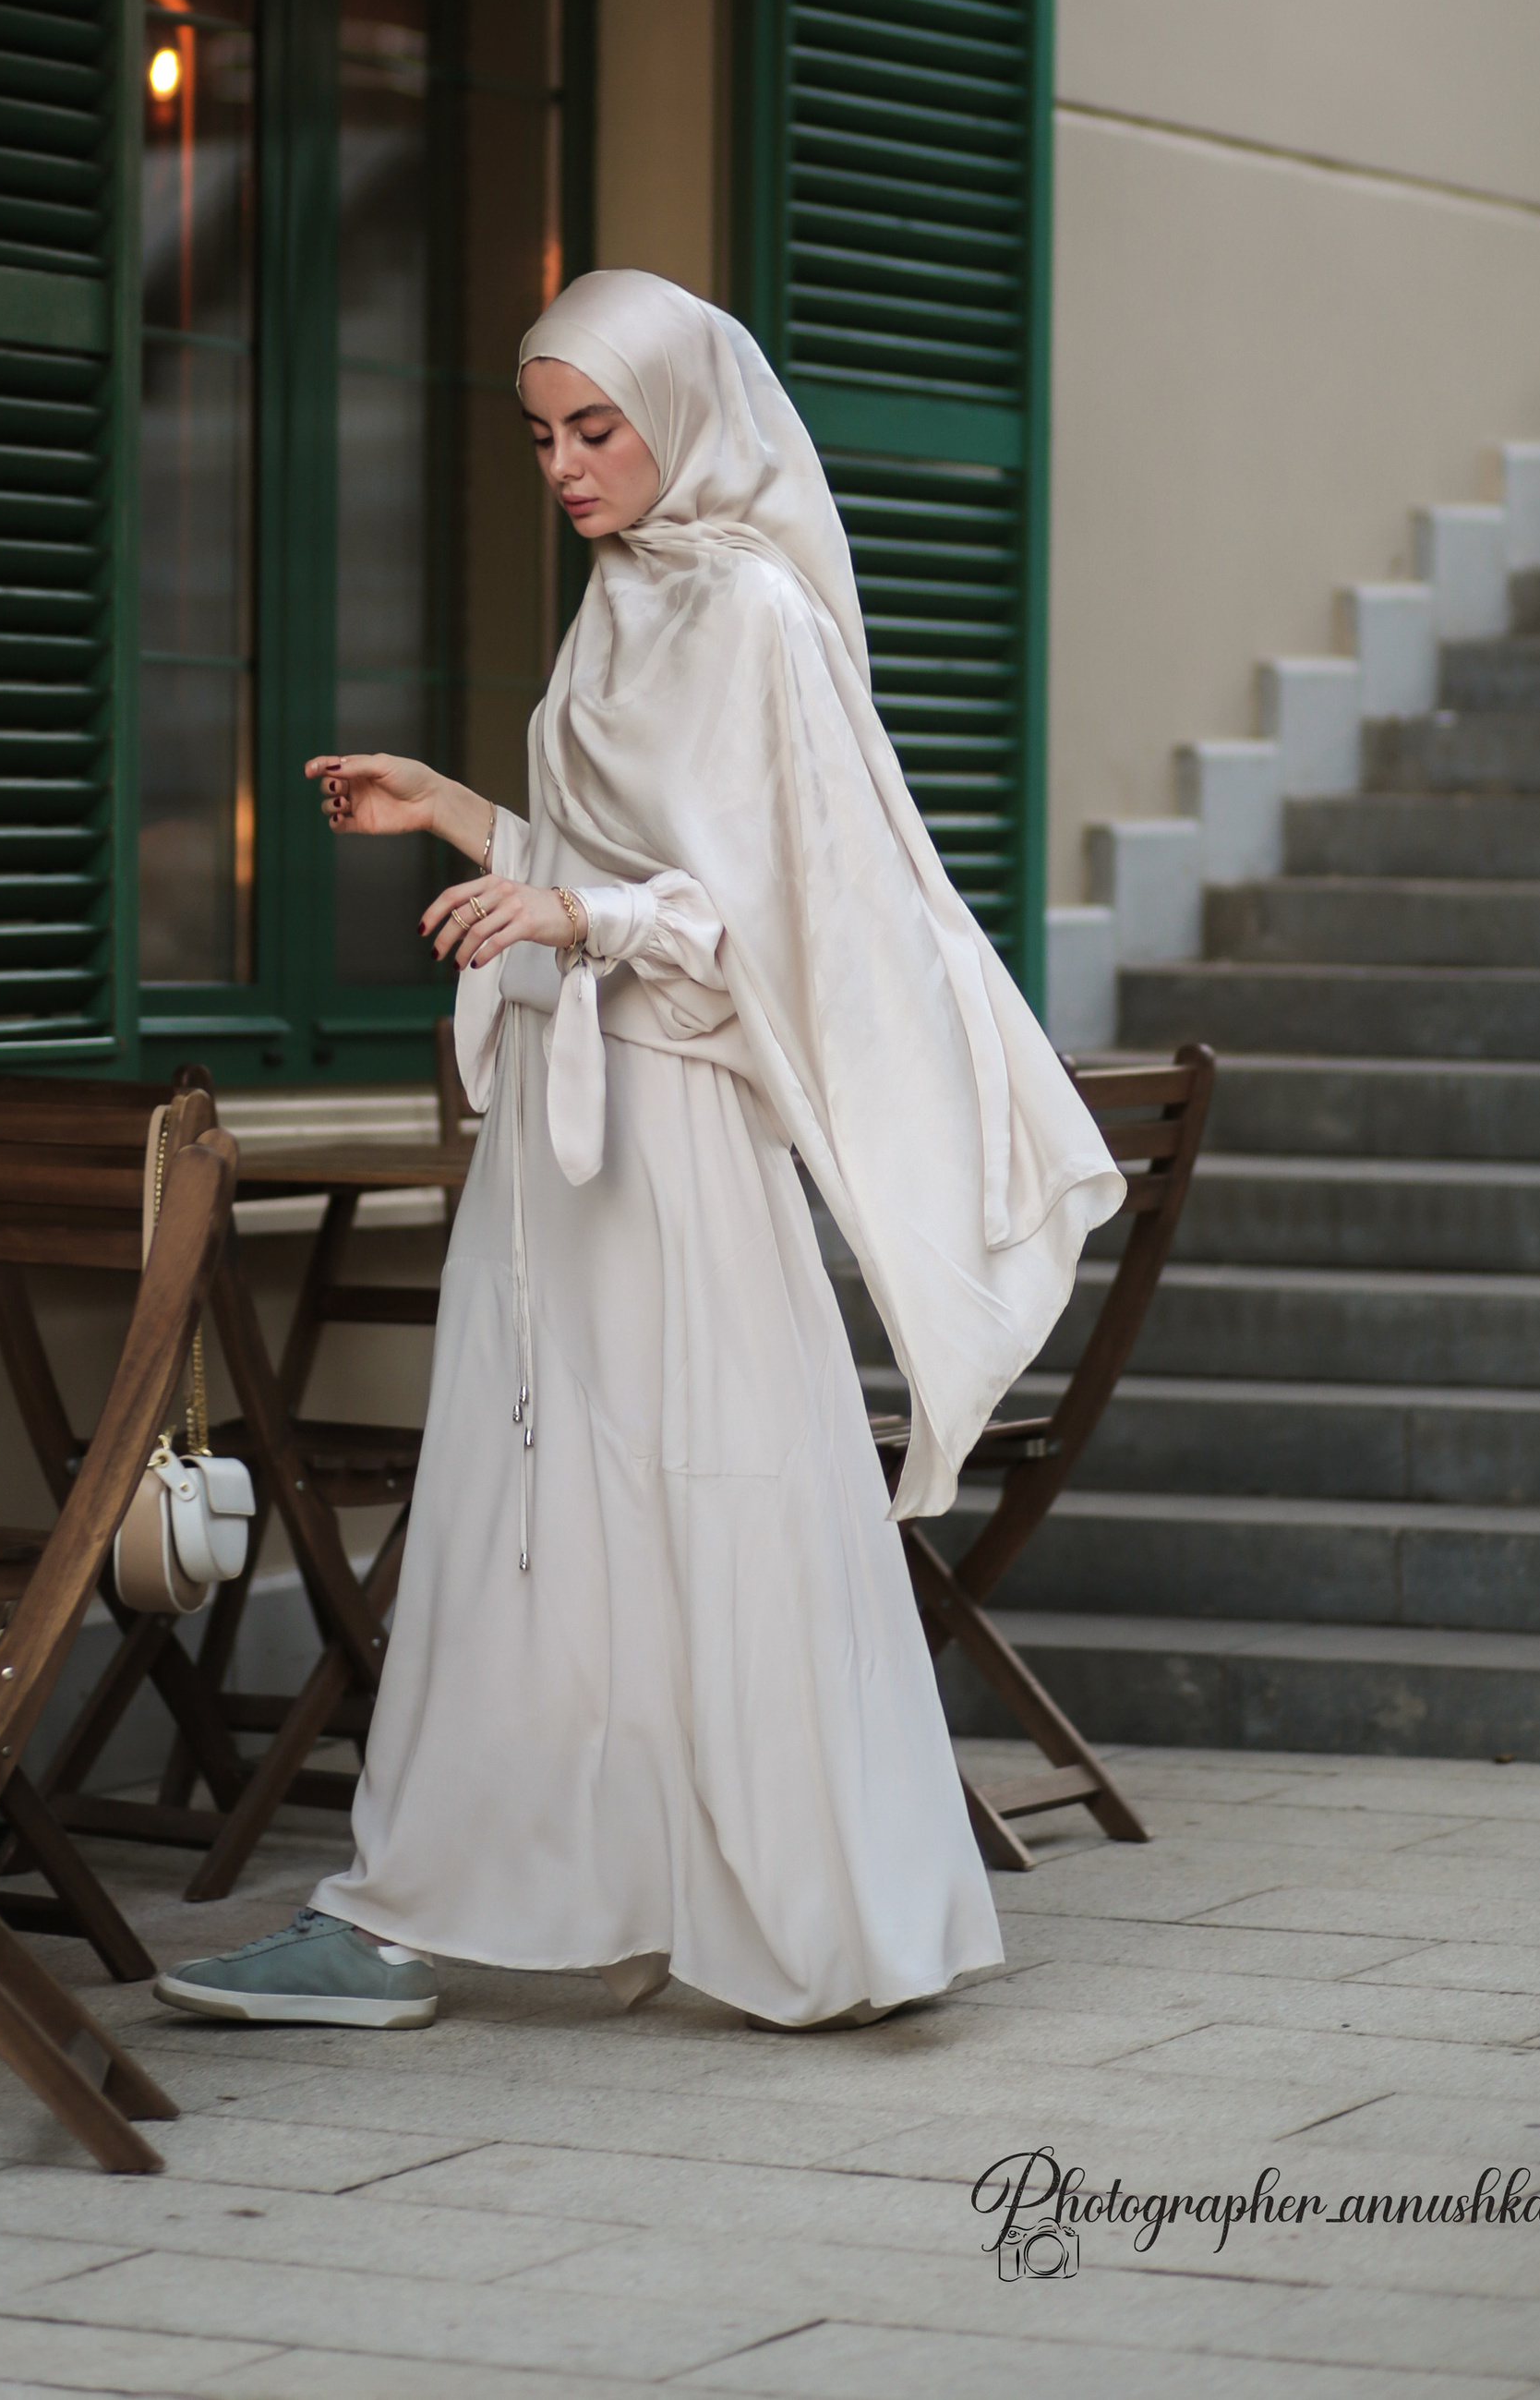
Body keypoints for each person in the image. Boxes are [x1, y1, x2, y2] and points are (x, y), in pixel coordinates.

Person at [157, 270, 1124, 2035]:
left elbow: (758, 919)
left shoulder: (750, 610)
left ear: (679, 414)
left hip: (671, 1139)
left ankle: (825, 1923)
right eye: (541, 435)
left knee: (707, 1496)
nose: (566, 464)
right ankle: (456, 1913)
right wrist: (456, 812)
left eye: (596, 427)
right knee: (523, 1514)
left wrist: (569, 906)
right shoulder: (624, 602)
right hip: (564, 1132)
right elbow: (625, 871)